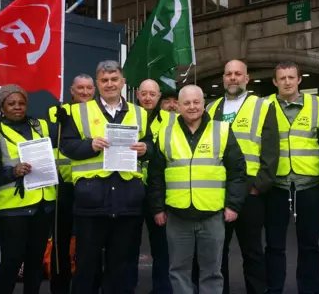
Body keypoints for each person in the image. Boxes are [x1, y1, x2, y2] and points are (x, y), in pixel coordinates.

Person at [60, 60, 153, 294]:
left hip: (127, 201)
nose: (109, 84)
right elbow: (67, 146)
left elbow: (152, 145)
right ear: (97, 83)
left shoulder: (139, 113)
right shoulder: (78, 111)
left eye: (114, 79)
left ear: (123, 82)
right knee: (86, 267)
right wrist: (90, 145)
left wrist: (146, 149)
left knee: (120, 267)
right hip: (91, 201)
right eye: (104, 80)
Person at [149, 84, 247, 294]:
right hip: (177, 215)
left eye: (196, 102)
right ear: (178, 106)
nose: (192, 107)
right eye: (186, 103)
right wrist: (157, 209)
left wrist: (233, 205)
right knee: (178, 271)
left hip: (212, 215)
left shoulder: (222, 130)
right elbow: (156, 175)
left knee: (212, 272)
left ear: (204, 104)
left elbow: (238, 171)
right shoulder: (166, 134)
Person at [206, 59, 279, 294]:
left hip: (250, 192)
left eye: (238, 74)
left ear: (247, 78)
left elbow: (271, 150)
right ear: (223, 78)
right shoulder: (211, 108)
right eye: (229, 74)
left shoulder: (263, 106)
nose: (233, 78)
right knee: (218, 251)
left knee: (253, 252)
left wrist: (259, 186)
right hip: (219, 191)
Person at [265, 62, 319, 294]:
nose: (287, 82)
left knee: (309, 244)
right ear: (275, 81)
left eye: (291, 77)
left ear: (300, 79)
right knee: (274, 245)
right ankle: (274, 289)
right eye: (282, 78)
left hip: (307, 184)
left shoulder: (318, 105)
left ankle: (309, 290)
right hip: (276, 184)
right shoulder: (264, 106)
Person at [0, 84, 58, 294]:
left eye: (21, 103)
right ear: (2, 107)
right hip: (12, 209)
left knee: (35, 261)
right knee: (11, 261)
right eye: (11, 104)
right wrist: (13, 172)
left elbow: (60, 144)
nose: (17, 107)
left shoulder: (41, 126)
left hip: (42, 204)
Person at [48, 74, 96, 294]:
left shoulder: (100, 113)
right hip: (63, 186)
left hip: (90, 185)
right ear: (71, 90)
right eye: (80, 88)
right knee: (61, 243)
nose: (85, 92)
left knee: (90, 244)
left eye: (88, 88)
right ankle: (60, 288)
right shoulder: (58, 112)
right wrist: (62, 121)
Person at [126, 78, 173, 294]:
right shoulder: (129, 116)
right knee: (128, 246)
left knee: (161, 247)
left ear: (159, 96)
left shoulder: (171, 121)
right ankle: (129, 288)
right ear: (137, 95)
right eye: (143, 93)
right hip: (132, 190)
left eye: (152, 94)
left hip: (160, 191)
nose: (147, 97)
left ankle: (162, 289)